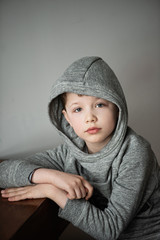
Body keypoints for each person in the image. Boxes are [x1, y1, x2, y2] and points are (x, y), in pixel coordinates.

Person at [0, 56, 160, 240]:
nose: (90, 117)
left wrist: (50, 191)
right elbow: (3, 171)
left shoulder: (135, 152)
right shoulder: (69, 154)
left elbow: (109, 230)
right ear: (66, 117)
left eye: (100, 105)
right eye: (78, 109)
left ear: (117, 108)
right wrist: (53, 177)